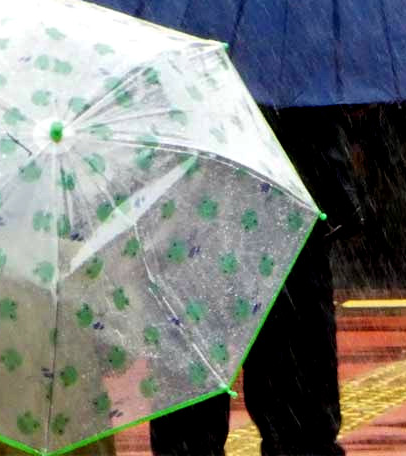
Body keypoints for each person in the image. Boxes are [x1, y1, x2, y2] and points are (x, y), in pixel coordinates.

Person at [149, 106, 353, 456]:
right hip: (284, 216)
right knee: (299, 412)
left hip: (189, 221)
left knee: (188, 421)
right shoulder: (288, 68)